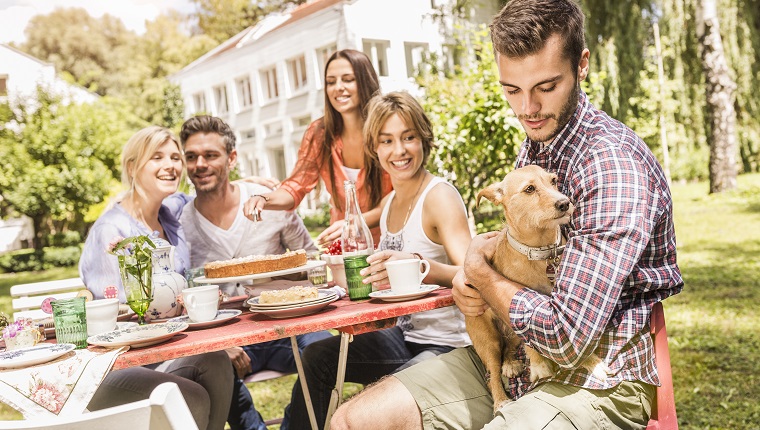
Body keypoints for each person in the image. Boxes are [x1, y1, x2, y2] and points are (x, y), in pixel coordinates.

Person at [329, 1, 684, 429]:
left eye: (546, 86)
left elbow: (567, 339)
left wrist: (482, 275)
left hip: (597, 379)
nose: (528, 108)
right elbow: (503, 256)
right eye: (512, 90)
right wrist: (468, 282)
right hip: (515, 364)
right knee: (353, 420)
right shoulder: (537, 146)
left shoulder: (611, 166)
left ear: (581, 65)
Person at [284, 92, 472, 430]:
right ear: (375, 147)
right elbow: (366, 225)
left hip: (447, 345)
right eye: (387, 141)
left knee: (372, 407)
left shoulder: (439, 197)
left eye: (408, 137)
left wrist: (419, 265)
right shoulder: (391, 202)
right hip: (403, 336)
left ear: (423, 139)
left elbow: (473, 275)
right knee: (317, 358)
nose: (398, 151)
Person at [177, 115, 333, 430]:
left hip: (285, 328)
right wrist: (220, 345)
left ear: (231, 158)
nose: (200, 164)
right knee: (209, 365)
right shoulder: (180, 223)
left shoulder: (267, 203)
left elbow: (312, 261)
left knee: (325, 350)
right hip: (228, 338)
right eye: (191, 157)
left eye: (210, 155)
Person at [79, 126, 233, 430]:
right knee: (190, 397)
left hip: (161, 352)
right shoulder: (112, 234)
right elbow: (116, 318)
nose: (171, 165)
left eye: (176, 157)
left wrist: (250, 183)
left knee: (217, 362)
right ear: (133, 168)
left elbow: (194, 195)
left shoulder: (167, 213)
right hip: (114, 366)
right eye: (157, 157)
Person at [243, 49, 393, 247]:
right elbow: (296, 186)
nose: (338, 87)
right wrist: (263, 198)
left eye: (348, 79)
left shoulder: (388, 129)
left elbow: (401, 195)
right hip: (346, 249)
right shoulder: (319, 133)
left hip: (391, 242)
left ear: (365, 81)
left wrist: (356, 222)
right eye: (331, 82)